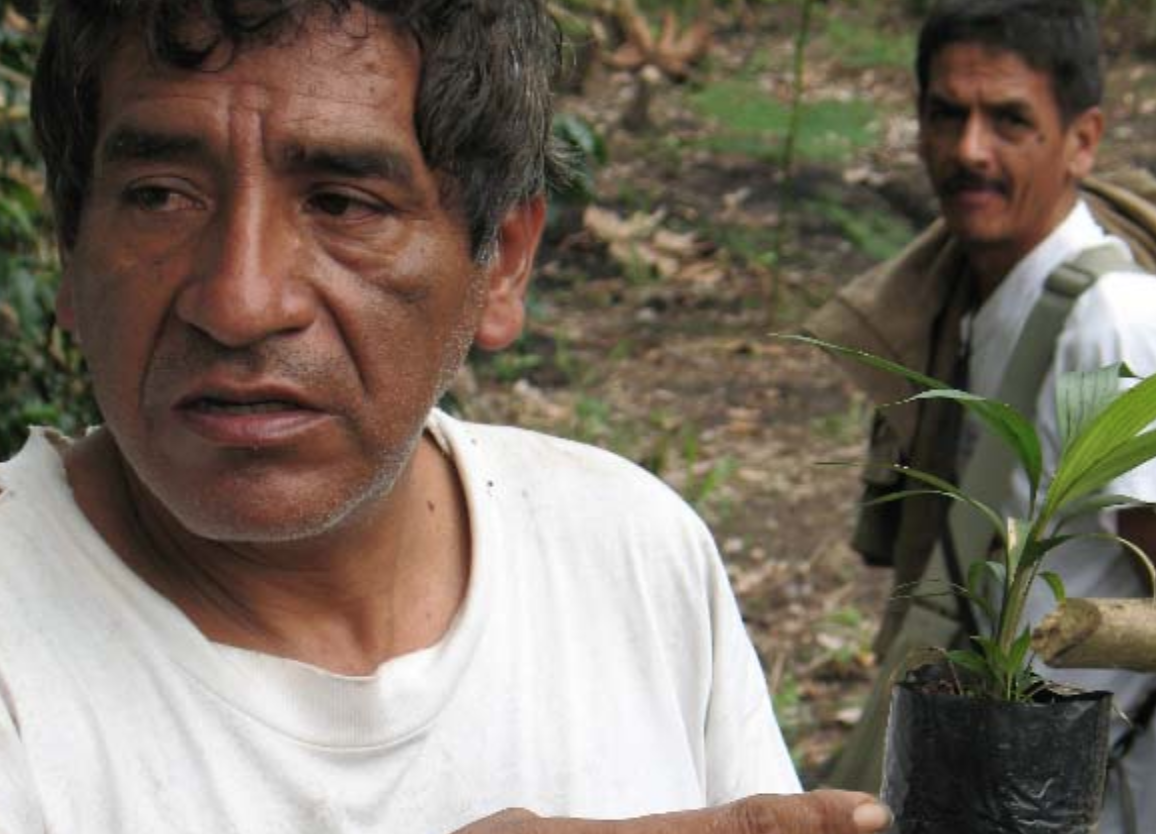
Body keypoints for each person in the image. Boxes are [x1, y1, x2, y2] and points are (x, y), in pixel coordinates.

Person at [0, 2, 894, 833]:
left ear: (500, 264)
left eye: (343, 204)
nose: (239, 301)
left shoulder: (629, 553)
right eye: (160, 194)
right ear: (71, 250)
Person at [806, 2, 1156, 833]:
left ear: (1081, 140)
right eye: (946, 114)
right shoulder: (966, 299)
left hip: (1098, 802)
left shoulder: (1115, 324)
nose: (970, 150)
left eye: (1009, 120)